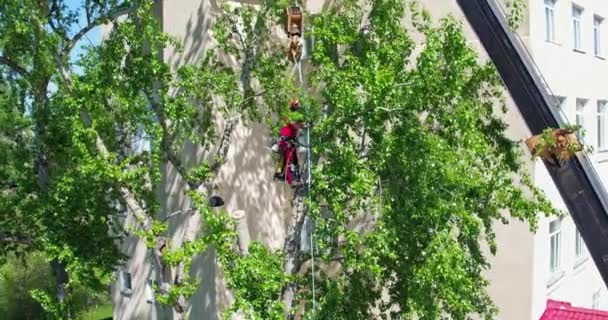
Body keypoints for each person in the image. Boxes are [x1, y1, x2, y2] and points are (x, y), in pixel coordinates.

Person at [274, 119, 306, 185]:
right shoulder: (291, 127)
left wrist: (295, 143)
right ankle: (290, 181)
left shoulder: (295, 129)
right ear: (297, 124)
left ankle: (278, 175)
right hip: (284, 145)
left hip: (286, 145)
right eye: (299, 126)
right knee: (287, 161)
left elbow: (294, 139)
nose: (299, 128)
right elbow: (284, 135)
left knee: (283, 161)